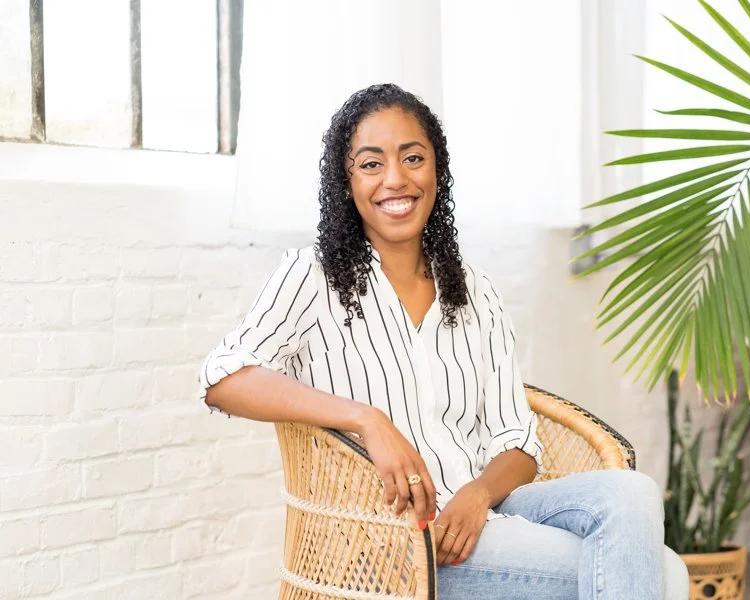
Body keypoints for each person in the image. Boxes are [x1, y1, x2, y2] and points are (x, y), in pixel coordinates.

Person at [200, 83, 689, 599]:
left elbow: (518, 444)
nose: (395, 179)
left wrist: (478, 496)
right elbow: (224, 378)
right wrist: (367, 419)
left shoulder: (474, 291)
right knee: (668, 573)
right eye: (371, 164)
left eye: (413, 158)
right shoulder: (313, 276)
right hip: (394, 538)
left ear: (437, 170)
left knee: (632, 493)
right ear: (346, 181)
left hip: (482, 516)